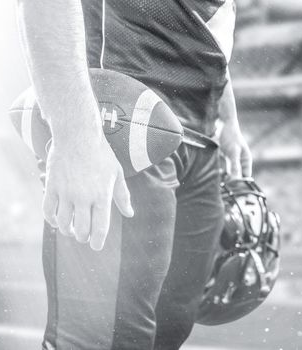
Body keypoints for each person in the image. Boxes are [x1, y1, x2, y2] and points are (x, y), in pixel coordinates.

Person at [16, 1, 252, 349]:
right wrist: (76, 136)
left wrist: (228, 120)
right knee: (103, 340)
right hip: (126, 119)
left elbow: (209, 22)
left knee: (168, 329)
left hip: (200, 137)